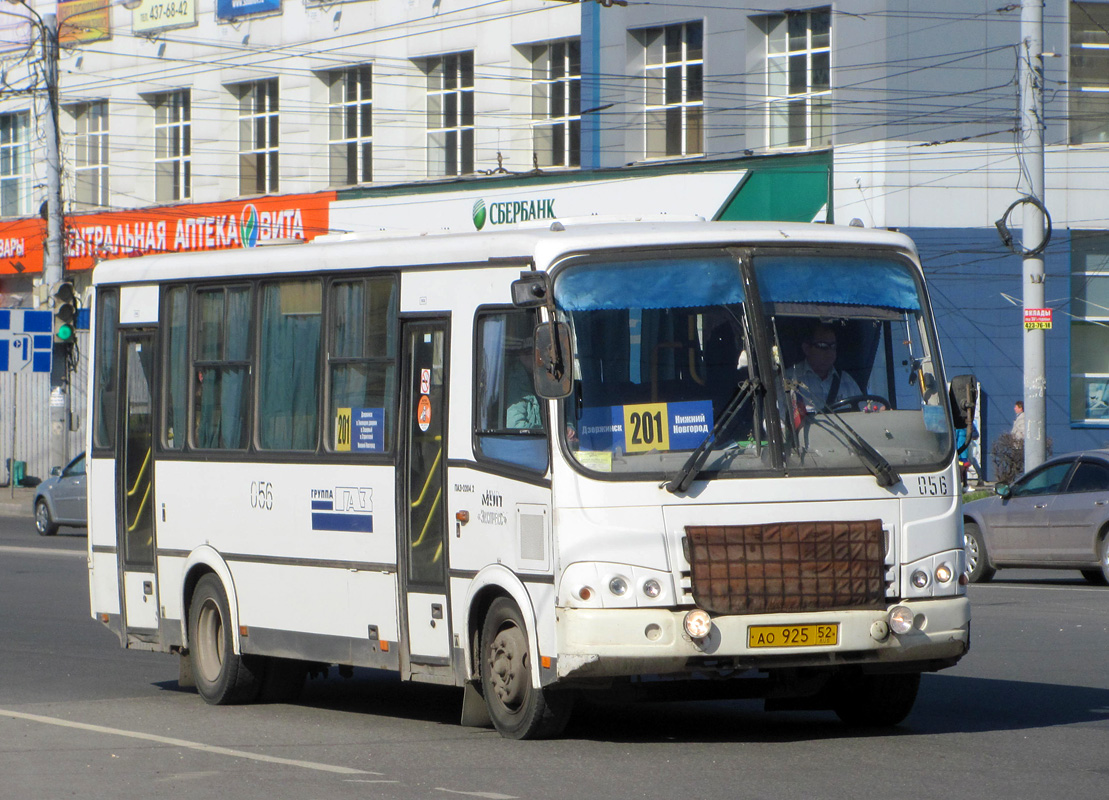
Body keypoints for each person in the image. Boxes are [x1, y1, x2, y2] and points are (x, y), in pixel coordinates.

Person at [784, 322, 862, 412]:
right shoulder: (788, 380)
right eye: (823, 346)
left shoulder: (847, 381)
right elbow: (779, 421)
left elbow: (866, 411)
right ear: (806, 348)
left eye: (833, 346)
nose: (830, 352)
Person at [505, 338, 541, 429]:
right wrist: (547, 431)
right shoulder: (516, 382)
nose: (539, 359)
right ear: (521, 355)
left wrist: (567, 427)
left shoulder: (538, 378)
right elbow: (515, 426)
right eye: (530, 353)